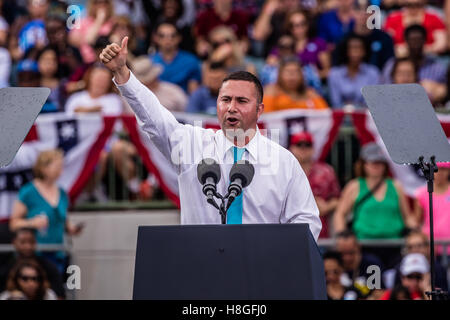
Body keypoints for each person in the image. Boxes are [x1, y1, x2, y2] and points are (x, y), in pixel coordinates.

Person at [99, 36, 322, 240]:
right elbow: (155, 118)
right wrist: (123, 74)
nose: (231, 108)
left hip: (261, 272)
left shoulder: (283, 161)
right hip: (201, 269)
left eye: (242, 101)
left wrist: (274, 254)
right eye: (225, 100)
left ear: (260, 110)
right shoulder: (192, 145)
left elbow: (307, 221)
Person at [9, 149, 82, 273]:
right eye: (57, 166)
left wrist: (72, 229)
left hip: (58, 252)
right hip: (35, 253)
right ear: (44, 167)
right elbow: (14, 224)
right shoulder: (28, 192)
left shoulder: (62, 193)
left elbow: (64, 222)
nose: (61, 170)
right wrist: (32, 223)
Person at [333, 143, 417, 240]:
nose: (377, 165)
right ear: (363, 164)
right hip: (364, 244)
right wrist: (343, 235)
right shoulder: (354, 186)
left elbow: (407, 216)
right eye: (373, 162)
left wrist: (415, 231)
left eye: (380, 162)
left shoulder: (396, 186)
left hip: (394, 243)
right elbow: (340, 214)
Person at [289, 131, 340, 238]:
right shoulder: (283, 171)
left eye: (307, 145)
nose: (303, 148)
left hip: (320, 232)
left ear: (313, 149)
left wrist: (327, 206)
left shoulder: (326, 171)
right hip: (291, 231)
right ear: (291, 148)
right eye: (299, 145)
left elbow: (338, 198)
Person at [381, 24, 447, 104]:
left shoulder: (437, 67)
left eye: (419, 40)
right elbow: (383, 91)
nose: (416, 44)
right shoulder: (392, 64)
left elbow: (443, 91)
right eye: (412, 40)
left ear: (425, 40)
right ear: (406, 40)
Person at [0, 228, 65, 299]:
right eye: (24, 278)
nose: (30, 283)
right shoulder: (7, 268)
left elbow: (59, 294)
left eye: (35, 278)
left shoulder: (49, 267)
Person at [333, 1, 395, 70]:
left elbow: (390, 66)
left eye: (367, 9)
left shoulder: (384, 38)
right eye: (358, 9)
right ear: (351, 12)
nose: (363, 13)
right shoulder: (343, 40)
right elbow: (337, 67)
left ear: (373, 12)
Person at [328, 34, 380, 109]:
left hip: (366, 117)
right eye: (352, 48)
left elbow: (372, 103)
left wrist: (353, 107)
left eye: (359, 48)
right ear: (346, 51)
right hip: (341, 116)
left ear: (365, 51)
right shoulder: (334, 74)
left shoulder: (373, 73)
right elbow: (336, 103)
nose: (355, 51)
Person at [150, 22, 202, 94]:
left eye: (172, 36)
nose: (168, 39)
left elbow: (194, 93)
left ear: (179, 38)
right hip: (155, 102)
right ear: (155, 38)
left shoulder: (191, 61)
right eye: (162, 36)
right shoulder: (149, 62)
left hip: (182, 103)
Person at [263, 57, 329, 112]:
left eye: (296, 72)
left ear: (302, 75)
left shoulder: (310, 93)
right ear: (280, 75)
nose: (292, 76)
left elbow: (325, 114)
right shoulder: (271, 91)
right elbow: (265, 117)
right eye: (288, 72)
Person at [414, 162, 450, 257]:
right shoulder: (421, 194)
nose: (439, 172)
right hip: (430, 249)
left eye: (444, 169)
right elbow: (417, 221)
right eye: (436, 169)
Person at [334, 230, 384, 298]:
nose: (347, 258)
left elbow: (379, 294)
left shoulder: (372, 265)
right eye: (342, 254)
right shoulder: (332, 266)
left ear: (358, 247)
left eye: (351, 253)